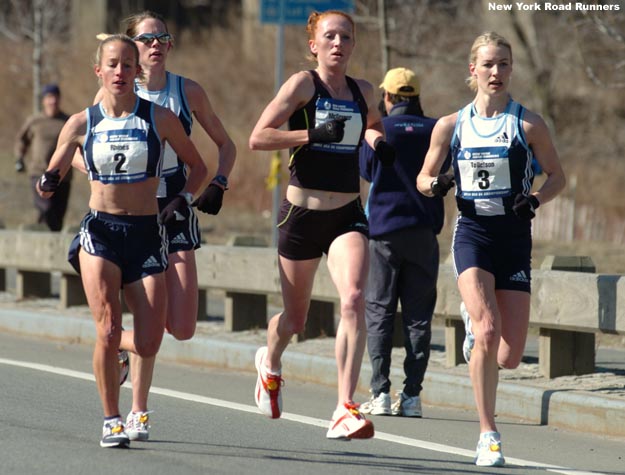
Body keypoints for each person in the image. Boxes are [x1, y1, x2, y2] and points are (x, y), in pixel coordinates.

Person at [38, 34, 208, 447]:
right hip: (101, 233)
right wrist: (48, 180)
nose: (119, 71)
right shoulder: (82, 122)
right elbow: (56, 166)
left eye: (127, 65)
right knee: (110, 326)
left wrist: (183, 200)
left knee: (149, 341)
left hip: (147, 234)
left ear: (137, 72)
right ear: (99, 70)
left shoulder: (160, 118)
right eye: (112, 64)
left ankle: (111, 345)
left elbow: (198, 166)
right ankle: (112, 418)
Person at [417, 31, 565, 466]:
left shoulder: (528, 124)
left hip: (514, 238)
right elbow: (424, 180)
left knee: (510, 354)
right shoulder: (452, 125)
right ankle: (488, 434)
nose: (496, 72)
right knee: (487, 329)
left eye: (504, 64)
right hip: (473, 234)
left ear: (511, 69)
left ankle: (475, 325)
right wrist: (439, 182)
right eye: (488, 64)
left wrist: (535, 199)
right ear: (473, 70)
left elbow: (558, 176)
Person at [248, 10, 394, 440]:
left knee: (353, 298)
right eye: (329, 36)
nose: (338, 44)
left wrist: (378, 142)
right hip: (301, 216)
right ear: (314, 44)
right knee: (295, 320)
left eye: (346, 37)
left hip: (347, 214)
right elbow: (259, 136)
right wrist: (312, 136)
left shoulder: (362, 89)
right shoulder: (301, 85)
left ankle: (344, 407)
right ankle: (269, 363)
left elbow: (370, 124)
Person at [107, 10, 235, 442]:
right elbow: (80, 141)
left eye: (163, 37)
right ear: (131, 47)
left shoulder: (188, 91)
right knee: (149, 313)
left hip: (177, 212)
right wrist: (101, 178)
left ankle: (118, 342)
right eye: (146, 39)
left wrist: (218, 181)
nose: (156, 45)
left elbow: (226, 144)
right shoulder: (119, 91)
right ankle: (138, 411)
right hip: (136, 216)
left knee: (181, 327)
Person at [359, 67, 448, 418]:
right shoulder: (436, 129)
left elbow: (367, 171)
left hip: (383, 232)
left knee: (379, 310)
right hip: (423, 232)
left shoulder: (378, 131)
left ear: (388, 97)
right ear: (416, 96)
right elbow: (444, 174)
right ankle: (412, 396)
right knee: (418, 317)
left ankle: (380, 391)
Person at [14, 84, 72, 231]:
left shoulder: (68, 122)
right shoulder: (35, 121)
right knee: (46, 208)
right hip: (39, 172)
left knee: (58, 215)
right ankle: (42, 230)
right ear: (44, 100)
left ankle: (49, 244)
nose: (53, 101)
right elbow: (22, 140)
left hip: (62, 175)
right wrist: (19, 158)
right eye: (49, 98)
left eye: (55, 97)